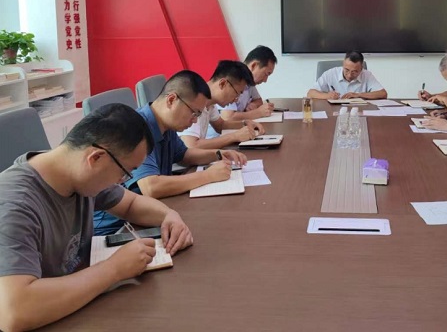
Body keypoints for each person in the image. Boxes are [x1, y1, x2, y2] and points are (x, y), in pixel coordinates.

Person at [0, 103, 194, 331]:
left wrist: (169, 215)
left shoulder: (75, 172)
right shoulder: (14, 204)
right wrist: (114, 269)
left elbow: (130, 204)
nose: (122, 181)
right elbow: (15, 312)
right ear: (96, 158)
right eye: (124, 173)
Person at [94, 70, 247, 235]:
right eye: (194, 113)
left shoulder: (166, 125)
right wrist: (208, 176)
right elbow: (151, 187)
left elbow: (184, 155)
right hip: (118, 228)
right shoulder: (137, 128)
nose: (195, 120)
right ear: (172, 100)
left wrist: (218, 154)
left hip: (150, 215)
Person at [179, 60, 266, 149]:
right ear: (223, 83)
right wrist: (234, 136)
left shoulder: (210, 103)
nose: (236, 100)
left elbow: (220, 125)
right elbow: (191, 146)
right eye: (237, 93)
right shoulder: (194, 101)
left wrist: (245, 123)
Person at [219, 45, 278, 122]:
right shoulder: (232, 77)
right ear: (254, 65)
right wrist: (258, 113)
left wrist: (253, 105)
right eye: (266, 74)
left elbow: (258, 100)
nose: (265, 80)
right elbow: (228, 117)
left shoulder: (250, 81)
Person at [307, 50, 388, 100]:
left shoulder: (366, 74)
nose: (349, 75)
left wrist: (358, 95)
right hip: (333, 111)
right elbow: (310, 93)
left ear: (361, 68)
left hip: (358, 111)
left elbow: (383, 94)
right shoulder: (331, 73)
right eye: (347, 70)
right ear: (343, 64)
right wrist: (327, 96)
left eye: (354, 72)